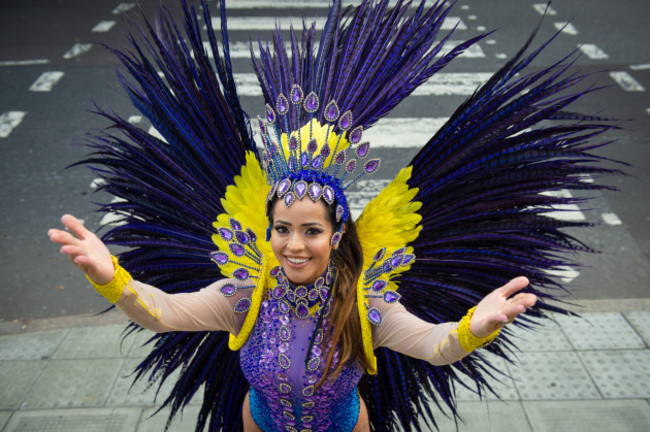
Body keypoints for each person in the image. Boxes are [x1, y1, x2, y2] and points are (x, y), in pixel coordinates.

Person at [47, 0, 620, 430]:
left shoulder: (366, 306)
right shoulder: (244, 295)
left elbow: (436, 346)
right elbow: (164, 313)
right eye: (282, 229)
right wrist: (111, 276)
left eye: (311, 231)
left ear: (336, 233)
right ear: (267, 230)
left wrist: (477, 326)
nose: (294, 245)